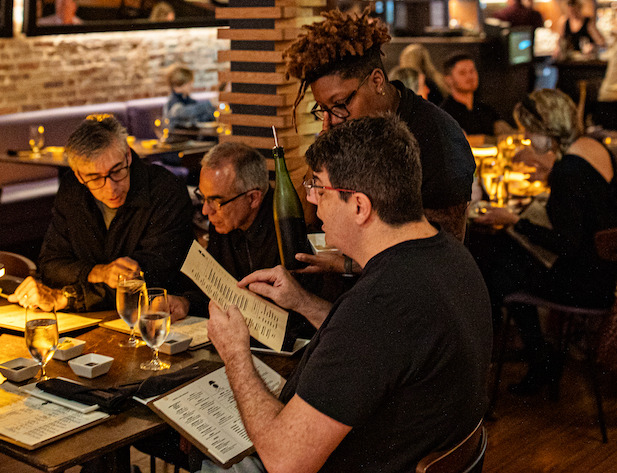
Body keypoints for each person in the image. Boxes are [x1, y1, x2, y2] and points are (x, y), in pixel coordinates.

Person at [204, 115, 492, 473]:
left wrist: (235, 353)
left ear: (359, 206)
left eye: (319, 188)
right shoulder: (448, 254)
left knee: (217, 460)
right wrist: (303, 302)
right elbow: (386, 348)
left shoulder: (380, 303)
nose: (310, 199)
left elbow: (285, 461)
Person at [473, 89, 617, 394]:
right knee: (504, 257)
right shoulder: (592, 148)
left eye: (530, 131)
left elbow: (566, 244)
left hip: (586, 284)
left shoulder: (568, 171)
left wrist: (516, 221)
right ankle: (540, 357)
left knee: (496, 267)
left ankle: (534, 358)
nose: (529, 139)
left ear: (547, 129)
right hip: (610, 272)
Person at [282, 10, 476, 241]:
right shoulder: (345, 129)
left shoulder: (437, 138)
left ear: (377, 81)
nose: (333, 118)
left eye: (341, 103)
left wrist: (348, 264)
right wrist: (321, 157)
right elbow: (309, 221)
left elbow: (444, 247)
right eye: (323, 109)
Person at [12, 115, 192, 312]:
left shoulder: (165, 190)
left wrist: (68, 298)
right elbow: (51, 267)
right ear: (78, 174)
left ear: (128, 156)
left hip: (153, 319)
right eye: (95, 178)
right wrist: (100, 272)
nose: (111, 188)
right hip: (86, 320)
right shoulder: (72, 190)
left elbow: (149, 279)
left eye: (117, 171)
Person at [170, 142, 276, 320]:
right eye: (203, 197)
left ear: (253, 198)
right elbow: (217, 293)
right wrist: (186, 303)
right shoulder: (223, 222)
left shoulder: (283, 229)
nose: (205, 211)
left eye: (216, 201)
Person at [438, 52, 513, 136]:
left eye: (472, 71)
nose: (470, 76)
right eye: (462, 73)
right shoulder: (444, 114)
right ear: (449, 79)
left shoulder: (486, 110)